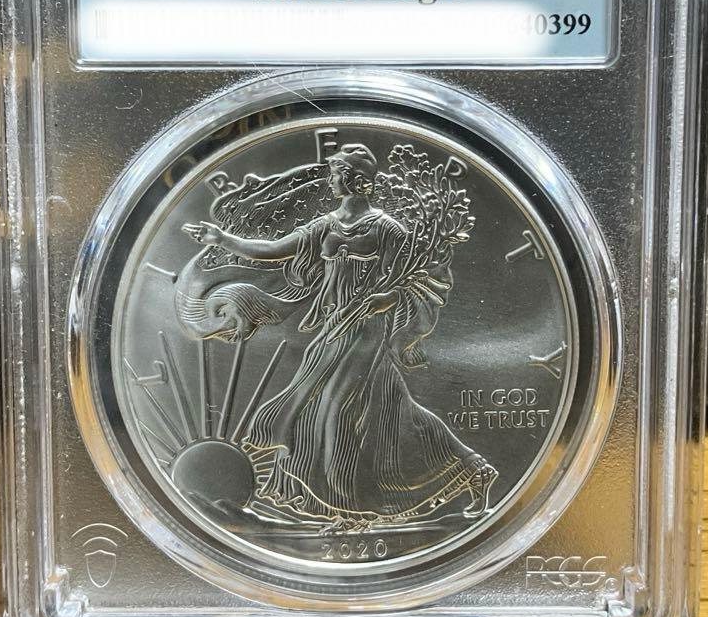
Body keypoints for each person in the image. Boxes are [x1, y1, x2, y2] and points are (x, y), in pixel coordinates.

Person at [182, 143, 497, 530]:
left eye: (336, 174)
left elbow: (418, 278)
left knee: (335, 410)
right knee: (388, 409)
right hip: (333, 325)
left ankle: (349, 509)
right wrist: (222, 238)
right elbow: (274, 250)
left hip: (366, 329)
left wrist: (385, 299)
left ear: (355, 180)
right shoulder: (325, 226)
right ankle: (472, 469)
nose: (330, 180)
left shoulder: (386, 229)